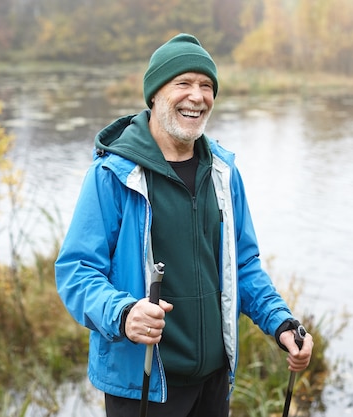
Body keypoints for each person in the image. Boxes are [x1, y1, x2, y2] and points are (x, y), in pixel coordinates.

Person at [55, 33, 313, 417]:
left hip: (213, 383)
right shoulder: (112, 174)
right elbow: (76, 272)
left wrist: (281, 322)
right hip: (143, 386)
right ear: (156, 93)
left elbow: (242, 265)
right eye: (184, 83)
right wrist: (124, 314)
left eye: (206, 86)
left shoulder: (224, 173)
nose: (198, 96)